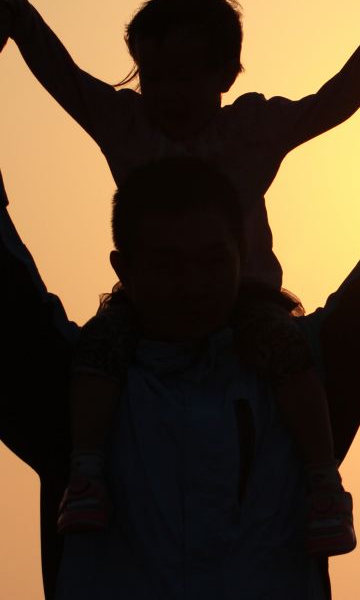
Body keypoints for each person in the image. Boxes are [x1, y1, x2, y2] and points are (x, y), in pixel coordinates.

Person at [0, 0, 359, 551]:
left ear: (225, 75)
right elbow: (66, 80)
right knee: (96, 352)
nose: (167, 95)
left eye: (185, 79)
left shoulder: (252, 129)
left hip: (246, 300)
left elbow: (333, 103)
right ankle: (85, 474)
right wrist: (19, 18)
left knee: (290, 356)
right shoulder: (127, 123)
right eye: (153, 78)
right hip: (146, 301)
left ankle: (322, 482)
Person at [0, 162, 359, 600]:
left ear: (242, 255)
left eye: (212, 261)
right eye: (166, 266)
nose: (193, 286)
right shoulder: (75, 386)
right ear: (123, 268)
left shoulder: (301, 377)